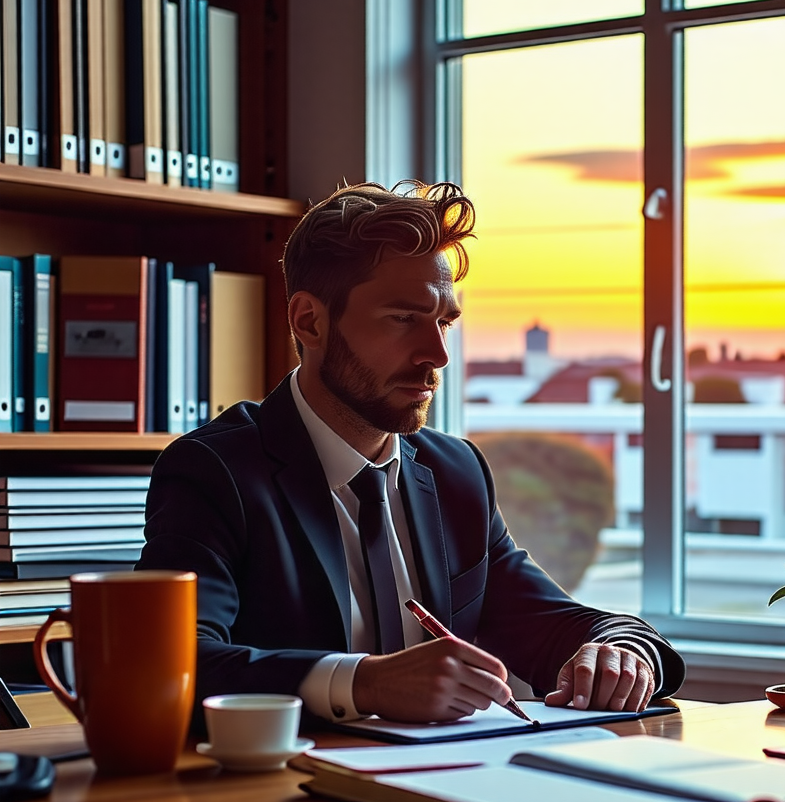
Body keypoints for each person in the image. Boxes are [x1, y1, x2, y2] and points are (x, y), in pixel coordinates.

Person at [138, 180, 684, 729]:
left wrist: (622, 651)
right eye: (403, 319)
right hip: (289, 777)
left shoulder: (456, 473)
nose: (437, 355)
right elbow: (170, 662)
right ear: (309, 321)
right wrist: (365, 683)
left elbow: (553, 622)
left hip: (446, 777)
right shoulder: (215, 472)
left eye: (444, 322)